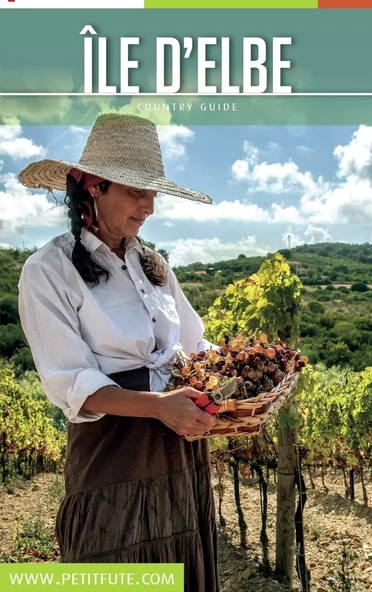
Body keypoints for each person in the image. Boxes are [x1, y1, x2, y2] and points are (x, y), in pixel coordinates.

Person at [17, 113, 220, 591]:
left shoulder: (154, 264)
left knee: (182, 561)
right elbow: (73, 384)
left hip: (181, 451)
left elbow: (193, 347)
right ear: (92, 187)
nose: (149, 207)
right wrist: (159, 408)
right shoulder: (49, 271)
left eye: (153, 194)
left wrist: (255, 377)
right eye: (136, 191)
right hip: (116, 455)